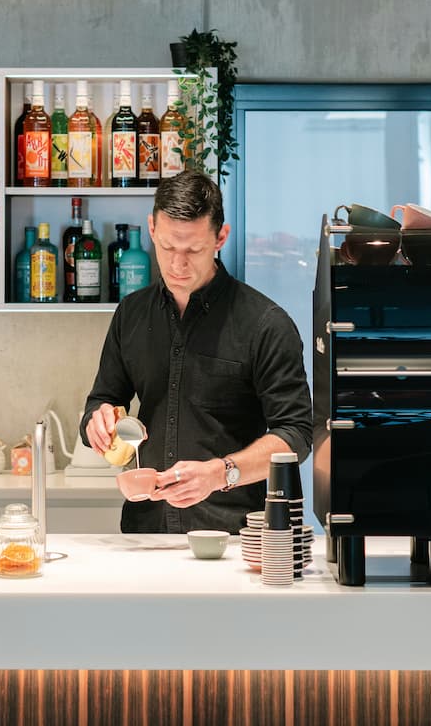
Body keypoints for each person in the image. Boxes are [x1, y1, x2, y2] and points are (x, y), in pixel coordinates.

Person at [81, 170, 312, 534]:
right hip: (146, 533)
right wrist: (98, 422)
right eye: (168, 248)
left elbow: (296, 435)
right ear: (152, 229)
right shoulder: (132, 313)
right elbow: (102, 400)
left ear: (221, 237)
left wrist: (220, 473)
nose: (177, 265)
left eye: (193, 250)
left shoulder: (265, 323)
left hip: (234, 537)